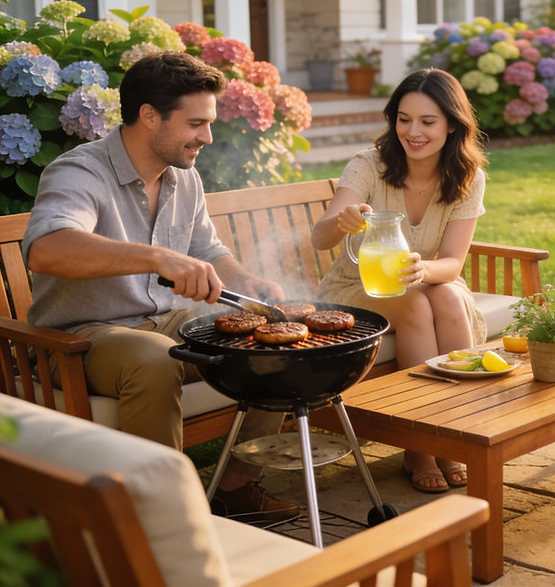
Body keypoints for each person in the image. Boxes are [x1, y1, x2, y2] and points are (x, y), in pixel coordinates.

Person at [23, 51, 296, 517]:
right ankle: (162, 521)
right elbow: (48, 247)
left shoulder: (182, 177)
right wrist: (156, 256)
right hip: (79, 338)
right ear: (149, 116)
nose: (206, 137)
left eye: (208, 124)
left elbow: (208, 250)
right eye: (195, 124)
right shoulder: (79, 172)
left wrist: (248, 280)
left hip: (166, 321)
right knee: (154, 359)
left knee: (269, 341)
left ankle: (233, 486)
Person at [312, 68, 487, 494]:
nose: (414, 131)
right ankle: (420, 445)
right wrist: (344, 220)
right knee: (414, 303)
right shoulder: (369, 165)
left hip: (428, 282)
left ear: (452, 124)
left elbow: (451, 263)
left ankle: (457, 430)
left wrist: (423, 271)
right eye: (404, 119)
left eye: (428, 122)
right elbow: (320, 237)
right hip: (358, 289)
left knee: (443, 297)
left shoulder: (467, 177)